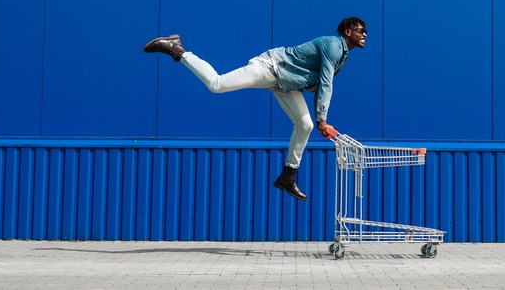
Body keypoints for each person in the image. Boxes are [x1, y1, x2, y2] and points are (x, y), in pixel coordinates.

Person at [143, 17, 367, 201]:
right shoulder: (333, 45)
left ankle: (288, 175)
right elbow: (327, 83)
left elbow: (320, 85)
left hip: (287, 83)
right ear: (348, 31)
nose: (364, 34)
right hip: (271, 67)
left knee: (305, 125)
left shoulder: (342, 54)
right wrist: (322, 119)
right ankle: (179, 50)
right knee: (217, 84)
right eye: (360, 30)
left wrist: (319, 121)